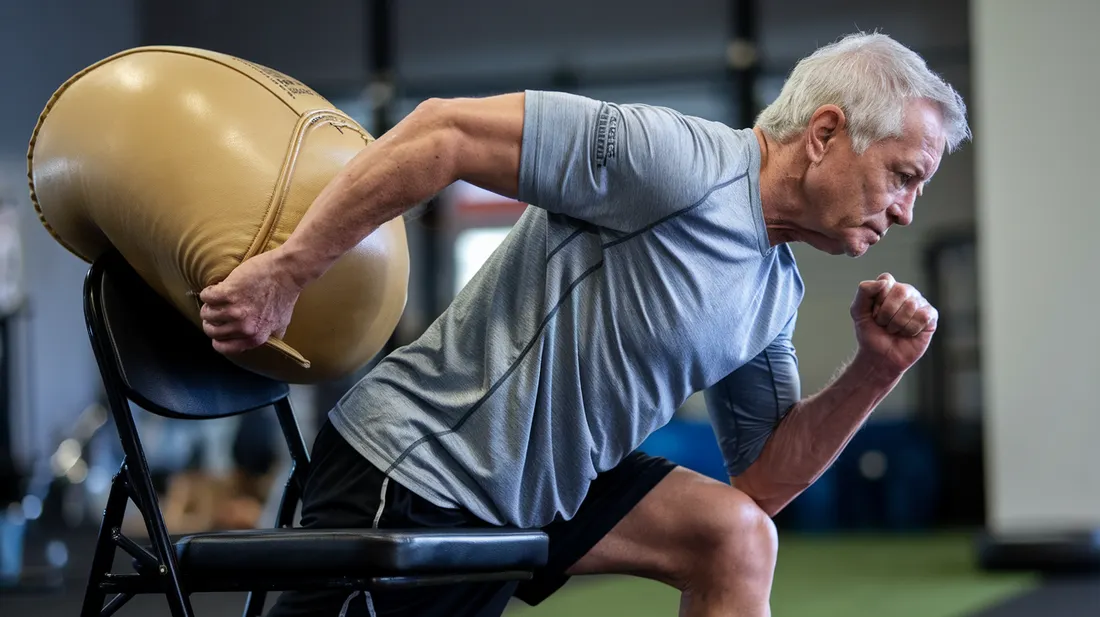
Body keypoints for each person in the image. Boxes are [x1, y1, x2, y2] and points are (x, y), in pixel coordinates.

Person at [198, 32, 969, 617]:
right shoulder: (676, 161)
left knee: (735, 535)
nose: (905, 210)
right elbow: (444, 132)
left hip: (537, 496)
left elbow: (763, 481)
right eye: (903, 176)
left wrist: (878, 367)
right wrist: (285, 271)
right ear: (827, 133)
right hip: (417, 467)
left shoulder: (772, 288)